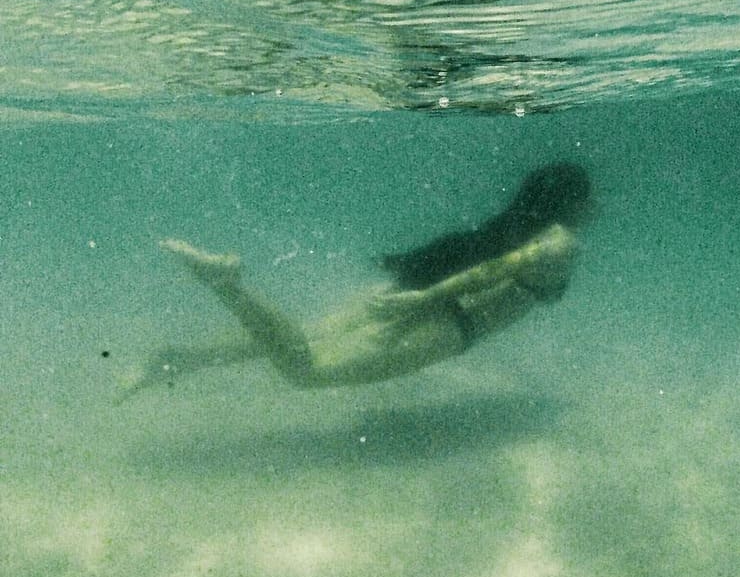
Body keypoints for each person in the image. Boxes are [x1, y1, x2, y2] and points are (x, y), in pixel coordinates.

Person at [118, 162, 591, 399]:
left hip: (405, 297)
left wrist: (415, 294)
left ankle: (171, 362)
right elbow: (492, 272)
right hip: (443, 320)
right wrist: (422, 300)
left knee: (300, 340)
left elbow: (480, 261)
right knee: (307, 370)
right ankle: (227, 284)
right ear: (572, 203)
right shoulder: (559, 241)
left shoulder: (514, 224)